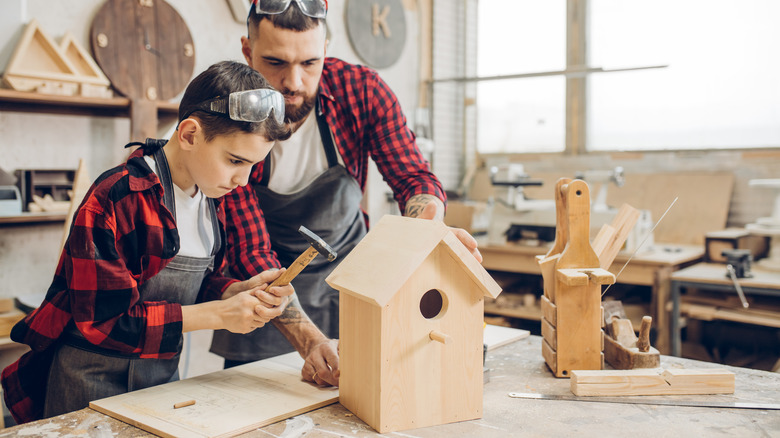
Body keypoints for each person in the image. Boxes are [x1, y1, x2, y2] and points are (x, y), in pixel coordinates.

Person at [1, 61, 296, 424]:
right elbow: (103, 321)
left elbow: (191, 285)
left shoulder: (208, 198)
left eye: (253, 165)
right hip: (88, 383)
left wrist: (230, 292)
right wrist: (217, 315)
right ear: (189, 135)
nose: (242, 179)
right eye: (235, 160)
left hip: (159, 384)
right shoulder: (116, 198)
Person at [210, 0, 483, 386]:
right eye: (274, 63)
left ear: (325, 51)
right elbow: (250, 252)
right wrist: (310, 343)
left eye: (309, 63)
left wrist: (426, 233)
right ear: (247, 51)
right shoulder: (230, 116)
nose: (293, 83)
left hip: (351, 284)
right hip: (264, 295)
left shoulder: (362, 91)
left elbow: (412, 177)